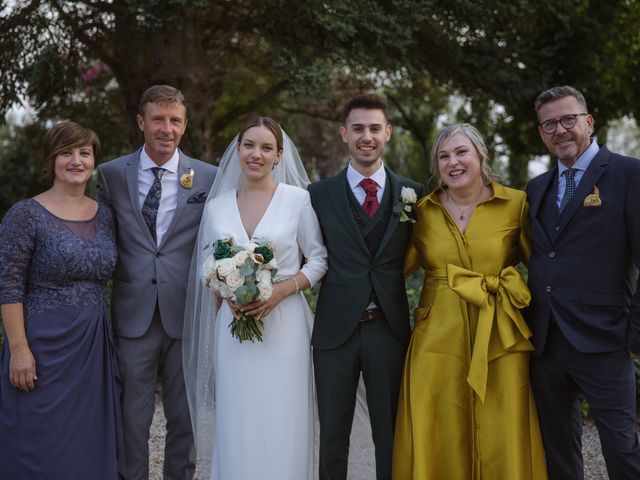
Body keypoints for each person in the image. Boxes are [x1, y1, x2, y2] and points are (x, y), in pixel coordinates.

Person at [392, 123, 547, 479]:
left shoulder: (516, 204)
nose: (453, 162)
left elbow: (542, 269)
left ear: (480, 155)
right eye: (443, 156)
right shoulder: (422, 212)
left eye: (461, 152)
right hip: (437, 339)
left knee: (502, 424)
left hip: (500, 337)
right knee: (438, 426)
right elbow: (393, 270)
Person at [183, 116, 327, 479]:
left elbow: (320, 259)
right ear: (237, 148)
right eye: (249, 145)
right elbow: (206, 263)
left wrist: (281, 289)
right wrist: (223, 288)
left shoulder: (298, 200)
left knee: (282, 419)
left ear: (279, 155)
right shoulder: (216, 207)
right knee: (238, 417)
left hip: (285, 329)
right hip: (233, 331)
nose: (256, 154)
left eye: (266, 148)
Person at [96, 85, 217, 479]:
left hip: (188, 312)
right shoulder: (111, 174)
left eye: (175, 121)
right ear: (141, 123)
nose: (166, 129)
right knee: (133, 417)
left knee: (185, 419)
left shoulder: (208, 178)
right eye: (158, 120)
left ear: (185, 126)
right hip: (133, 315)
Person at [308, 94, 426, 480]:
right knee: (332, 438)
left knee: (391, 436)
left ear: (388, 133)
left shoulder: (413, 193)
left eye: (375, 128)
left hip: (388, 330)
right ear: (344, 134)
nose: (367, 136)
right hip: (334, 333)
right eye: (358, 128)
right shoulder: (317, 195)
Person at [526, 85, 640, 479]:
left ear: (588, 122)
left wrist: (633, 337)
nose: (560, 130)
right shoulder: (536, 188)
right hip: (547, 344)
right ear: (542, 133)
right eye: (550, 123)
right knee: (560, 455)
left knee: (623, 452)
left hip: (606, 343)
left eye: (568, 119)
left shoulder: (629, 174)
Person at [0, 122, 125, 478]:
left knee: (87, 442)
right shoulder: (25, 215)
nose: (76, 160)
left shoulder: (106, 216)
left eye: (84, 153)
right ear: (51, 160)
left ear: (94, 161)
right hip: (42, 346)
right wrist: (19, 349)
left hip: (92, 348)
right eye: (66, 152)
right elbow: (8, 285)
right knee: (39, 440)